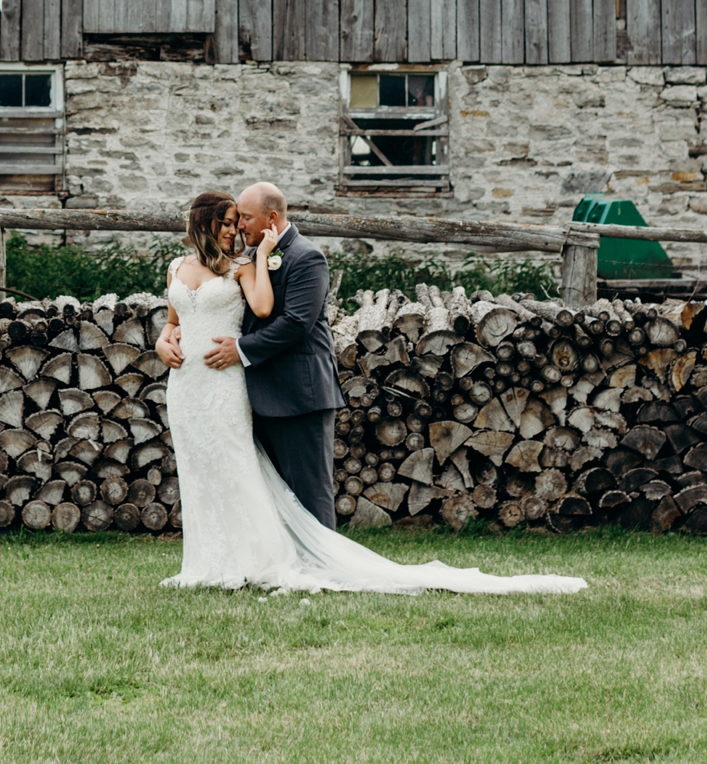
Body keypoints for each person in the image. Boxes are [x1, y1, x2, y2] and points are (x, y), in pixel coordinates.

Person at [155, 183, 587, 596]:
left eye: (244, 218)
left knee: (309, 490)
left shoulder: (305, 258)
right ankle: (253, 560)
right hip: (247, 389)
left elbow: (295, 323)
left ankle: (324, 566)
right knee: (263, 488)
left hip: (297, 390)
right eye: (233, 220)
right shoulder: (241, 257)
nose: (239, 228)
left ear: (270, 217)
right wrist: (165, 338)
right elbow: (182, 319)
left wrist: (241, 350)